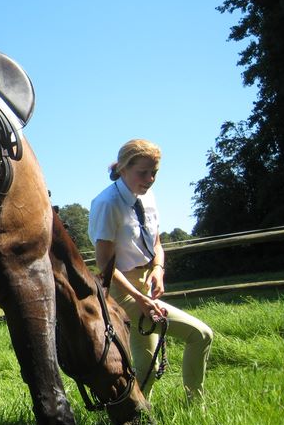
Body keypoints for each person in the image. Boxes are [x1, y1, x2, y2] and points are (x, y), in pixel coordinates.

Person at [88, 139, 213, 403]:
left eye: (154, 172)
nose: (150, 179)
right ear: (123, 169)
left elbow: (155, 241)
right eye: (143, 172)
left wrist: (157, 268)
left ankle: (133, 418)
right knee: (200, 335)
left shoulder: (148, 197)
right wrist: (140, 299)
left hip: (145, 285)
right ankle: (195, 407)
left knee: (148, 368)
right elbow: (105, 265)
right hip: (122, 291)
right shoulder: (107, 203)